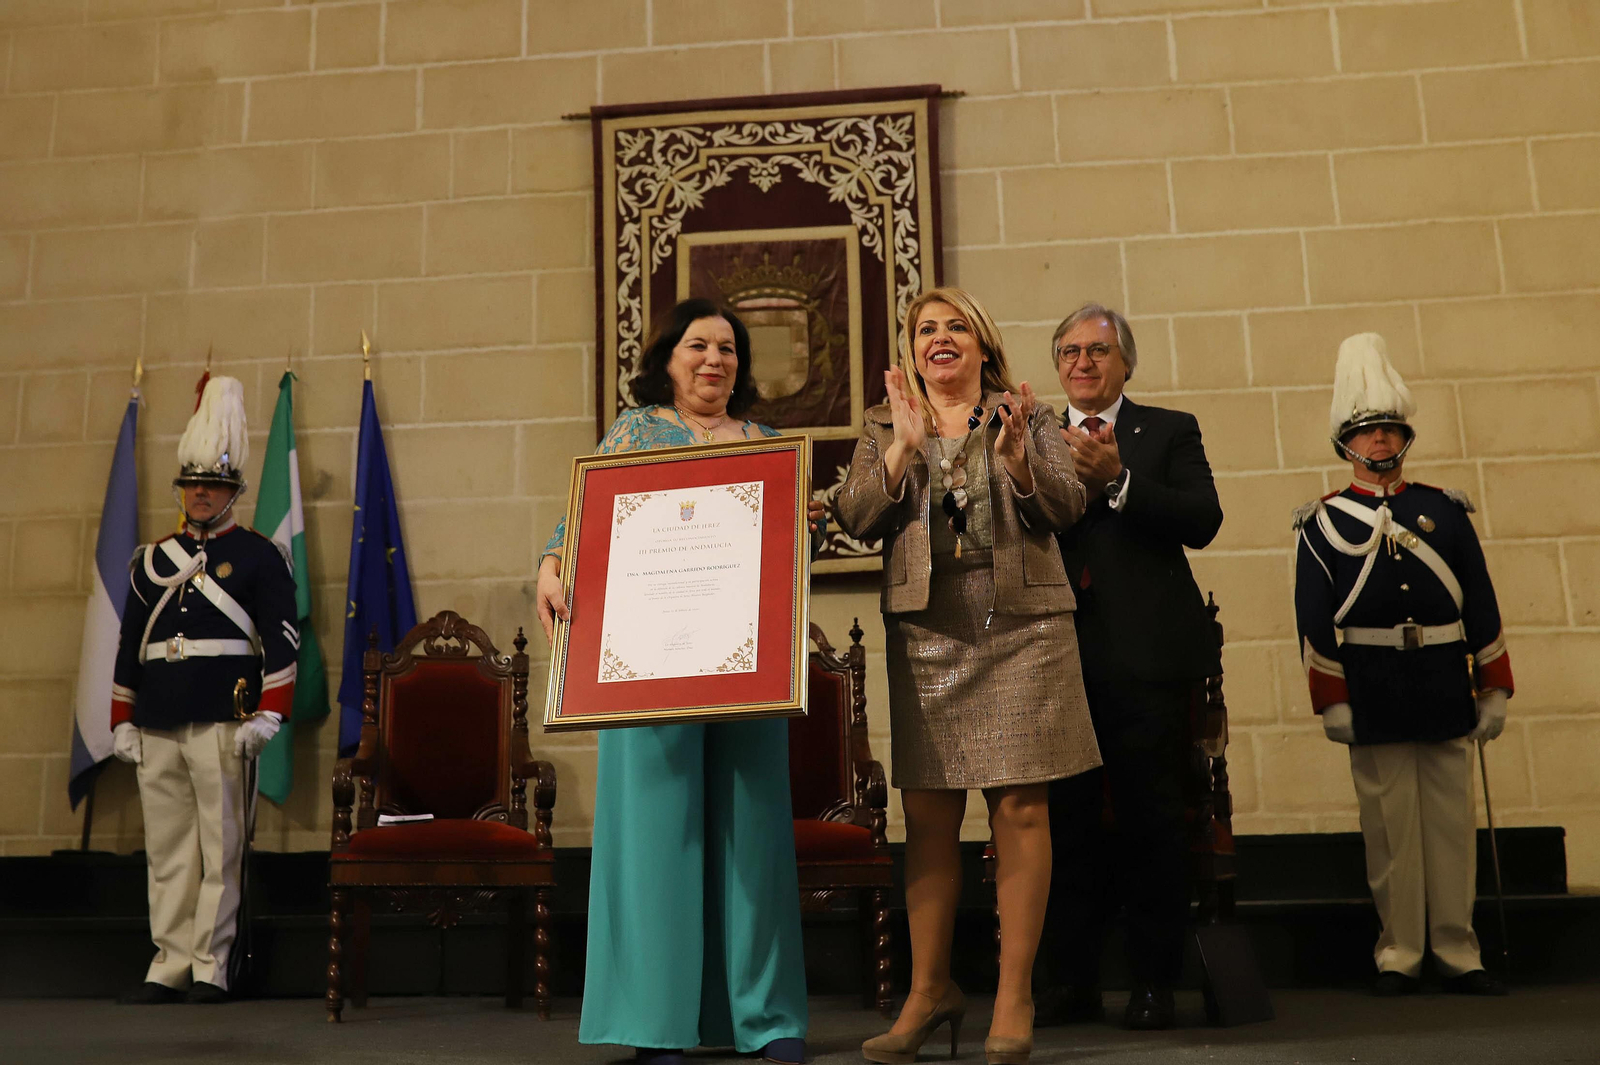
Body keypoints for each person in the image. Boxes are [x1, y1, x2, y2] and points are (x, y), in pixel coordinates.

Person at [535, 298, 826, 1065]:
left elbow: (797, 544)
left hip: (744, 666)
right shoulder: (635, 431)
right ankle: (654, 1023)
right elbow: (581, 520)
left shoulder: (765, 442)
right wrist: (552, 563)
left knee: (753, 837)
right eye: (698, 345)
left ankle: (767, 1016)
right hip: (650, 669)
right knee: (653, 839)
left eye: (728, 348)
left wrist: (810, 521)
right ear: (667, 358)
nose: (714, 359)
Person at [835, 286, 1096, 1065]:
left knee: (1021, 809)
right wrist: (900, 451)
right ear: (912, 349)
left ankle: (1014, 996)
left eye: (957, 327)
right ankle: (929, 991)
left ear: (983, 346)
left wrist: (1020, 467)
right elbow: (854, 516)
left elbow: (1068, 506)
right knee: (928, 815)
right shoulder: (883, 423)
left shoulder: (1027, 418)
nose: (940, 338)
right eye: (926, 329)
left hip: (1022, 625)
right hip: (929, 630)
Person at [1293, 332, 1512, 997]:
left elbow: (1481, 599)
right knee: (1390, 830)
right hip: (1374, 686)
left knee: (1451, 825)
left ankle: (1457, 949)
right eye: (1367, 430)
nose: (1380, 439)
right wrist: (1332, 698)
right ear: (1346, 443)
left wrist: (1494, 685)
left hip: (1443, 680)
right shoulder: (1322, 522)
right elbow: (1313, 619)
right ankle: (1400, 951)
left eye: (1389, 428)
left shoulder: (1444, 510)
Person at [1038, 302, 1225, 1031]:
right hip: (1055, 659)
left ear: (1125, 363)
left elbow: (1203, 519)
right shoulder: (1032, 435)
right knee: (1065, 828)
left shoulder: (1168, 430)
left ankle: (1154, 983)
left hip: (1147, 661)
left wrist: (1120, 480)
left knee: (1152, 824)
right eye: (1069, 351)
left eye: (1097, 350)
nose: (1082, 362)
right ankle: (1070, 982)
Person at [110, 376, 299, 1005]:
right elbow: (129, 645)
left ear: (233, 491)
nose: (199, 493)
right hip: (159, 716)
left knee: (221, 849)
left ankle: (210, 965)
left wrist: (270, 714)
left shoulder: (259, 557)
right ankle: (168, 961)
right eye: (192, 484)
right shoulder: (152, 560)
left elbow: (282, 640)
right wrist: (122, 717)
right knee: (167, 850)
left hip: (224, 716)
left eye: (212, 484)